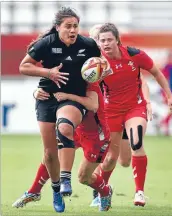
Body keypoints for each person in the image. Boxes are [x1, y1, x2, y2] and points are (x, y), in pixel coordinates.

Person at [13, 6, 112, 213]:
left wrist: (103, 68)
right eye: (68, 26)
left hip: (72, 99)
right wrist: (48, 73)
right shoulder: (46, 44)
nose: (73, 30)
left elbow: (102, 65)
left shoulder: (88, 45)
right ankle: (56, 190)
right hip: (47, 98)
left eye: (76, 26)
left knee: (65, 126)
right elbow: (24, 66)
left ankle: (66, 180)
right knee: (49, 154)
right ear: (58, 27)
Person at [90, 23, 172, 207]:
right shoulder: (97, 62)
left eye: (109, 40)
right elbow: (90, 87)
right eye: (102, 40)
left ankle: (139, 193)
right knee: (112, 160)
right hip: (111, 112)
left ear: (117, 40)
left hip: (134, 108)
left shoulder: (134, 54)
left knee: (136, 142)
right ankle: (101, 191)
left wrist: (169, 97)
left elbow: (156, 73)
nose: (106, 44)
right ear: (98, 42)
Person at [160, 49, 172, 136]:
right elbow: (163, 80)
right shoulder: (167, 67)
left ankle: (164, 124)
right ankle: (164, 124)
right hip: (169, 93)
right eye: (171, 56)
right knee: (171, 110)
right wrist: (166, 94)